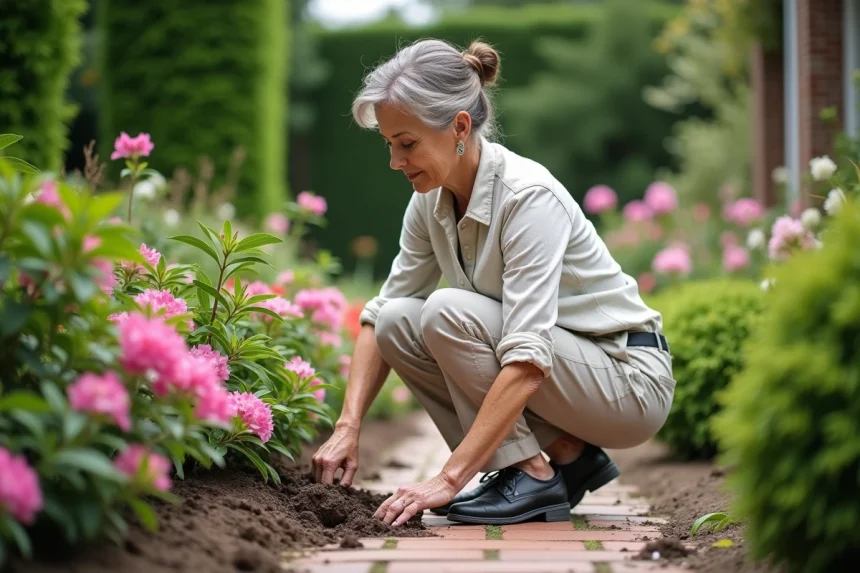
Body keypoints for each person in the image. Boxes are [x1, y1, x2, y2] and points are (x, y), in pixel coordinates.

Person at [311, 38, 675, 527]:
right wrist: (347, 426)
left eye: (407, 143)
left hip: (627, 379)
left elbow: (527, 359)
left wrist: (448, 479)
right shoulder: (429, 199)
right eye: (389, 145)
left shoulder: (527, 198)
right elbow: (382, 315)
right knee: (399, 320)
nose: (395, 162)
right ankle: (565, 453)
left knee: (445, 312)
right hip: (569, 376)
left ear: (459, 127)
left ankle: (530, 475)